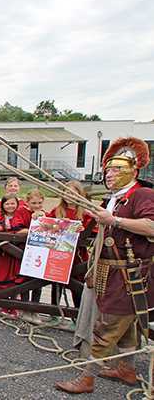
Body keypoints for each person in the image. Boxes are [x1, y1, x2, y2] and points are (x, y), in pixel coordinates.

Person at [56, 137, 154, 394]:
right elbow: (96, 224)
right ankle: (127, 369)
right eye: (108, 169)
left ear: (133, 170)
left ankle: (87, 379)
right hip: (110, 270)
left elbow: (151, 226)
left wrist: (116, 221)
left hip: (128, 274)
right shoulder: (114, 199)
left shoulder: (142, 194)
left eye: (116, 169)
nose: (109, 174)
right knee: (125, 326)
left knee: (107, 325)